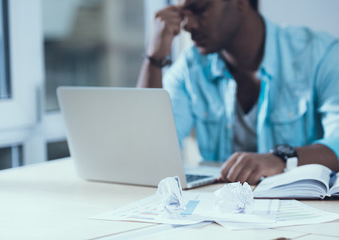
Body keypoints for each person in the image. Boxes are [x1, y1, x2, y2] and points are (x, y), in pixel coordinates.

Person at [136, 0, 339, 184]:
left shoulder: (320, 54)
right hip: (222, 211)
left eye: (199, 9)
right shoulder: (190, 68)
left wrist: (281, 159)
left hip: (302, 211)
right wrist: (154, 58)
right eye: (181, 14)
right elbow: (149, 149)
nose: (187, 25)